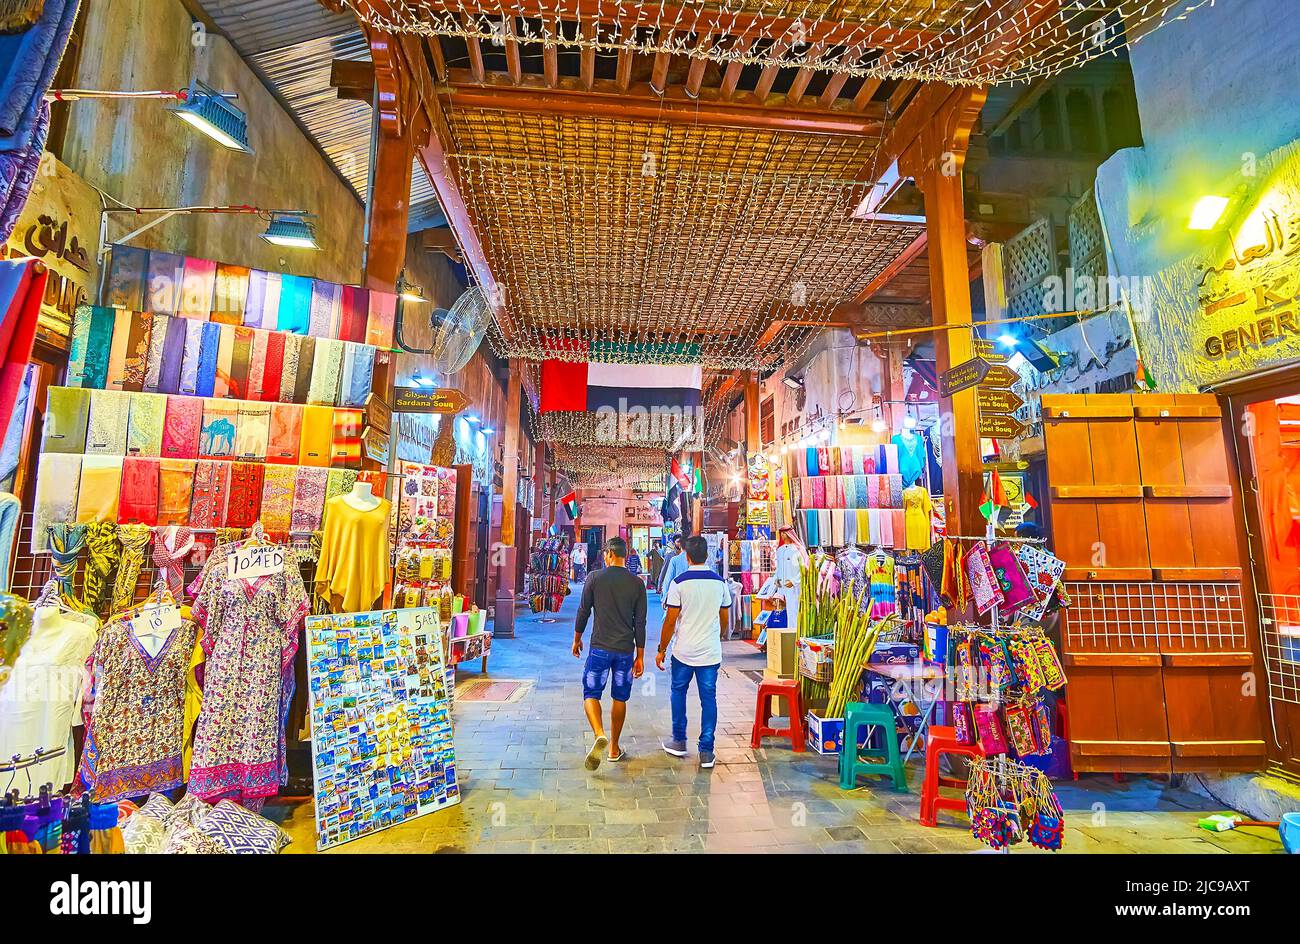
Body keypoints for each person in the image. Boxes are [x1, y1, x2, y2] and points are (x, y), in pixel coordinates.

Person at [655, 535, 729, 768]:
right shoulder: (720, 583)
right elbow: (724, 618)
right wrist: (715, 637)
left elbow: (670, 621)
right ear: (707, 556)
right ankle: (706, 751)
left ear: (686, 557)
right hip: (709, 653)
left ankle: (679, 741)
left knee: (678, 692)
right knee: (709, 699)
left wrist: (661, 649)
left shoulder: (679, 583)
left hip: (683, 652)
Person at [572, 536, 646, 769]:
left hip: (599, 650)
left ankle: (599, 733)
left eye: (605, 553)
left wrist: (577, 639)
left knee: (591, 693)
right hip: (625, 651)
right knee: (620, 697)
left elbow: (583, 611)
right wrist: (641, 656)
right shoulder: (637, 584)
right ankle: (614, 748)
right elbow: (640, 623)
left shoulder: (595, 578)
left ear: (610, 554)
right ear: (625, 555)